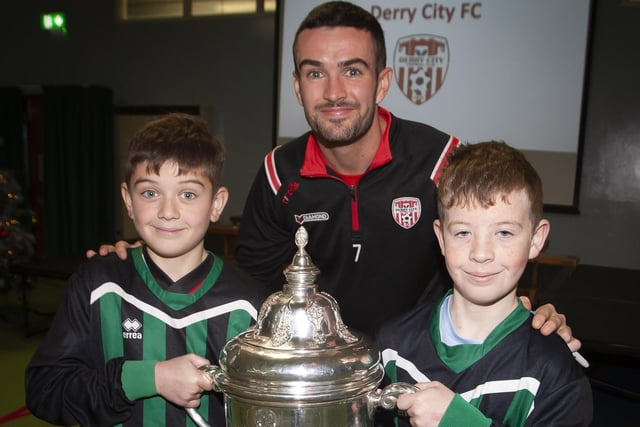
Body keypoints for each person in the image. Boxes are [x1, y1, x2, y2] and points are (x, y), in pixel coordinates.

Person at [89, 2, 578, 348]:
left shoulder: (441, 160)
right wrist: (147, 261)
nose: (334, 91)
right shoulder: (279, 174)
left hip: (423, 365)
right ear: (298, 88)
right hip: (322, 372)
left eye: (353, 70)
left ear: (383, 82)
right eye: (315, 73)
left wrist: (530, 318)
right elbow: (249, 286)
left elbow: (492, 251)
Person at [26, 113, 268, 427]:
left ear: (216, 204)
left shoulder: (252, 304)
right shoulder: (97, 284)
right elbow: (45, 391)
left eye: (188, 194)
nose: (168, 212)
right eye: (150, 193)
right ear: (128, 200)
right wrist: (149, 378)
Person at [375, 141, 592, 427]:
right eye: (463, 232)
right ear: (441, 238)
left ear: (536, 240)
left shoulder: (553, 370)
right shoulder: (393, 346)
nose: (480, 253)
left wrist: (458, 422)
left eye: (503, 232)